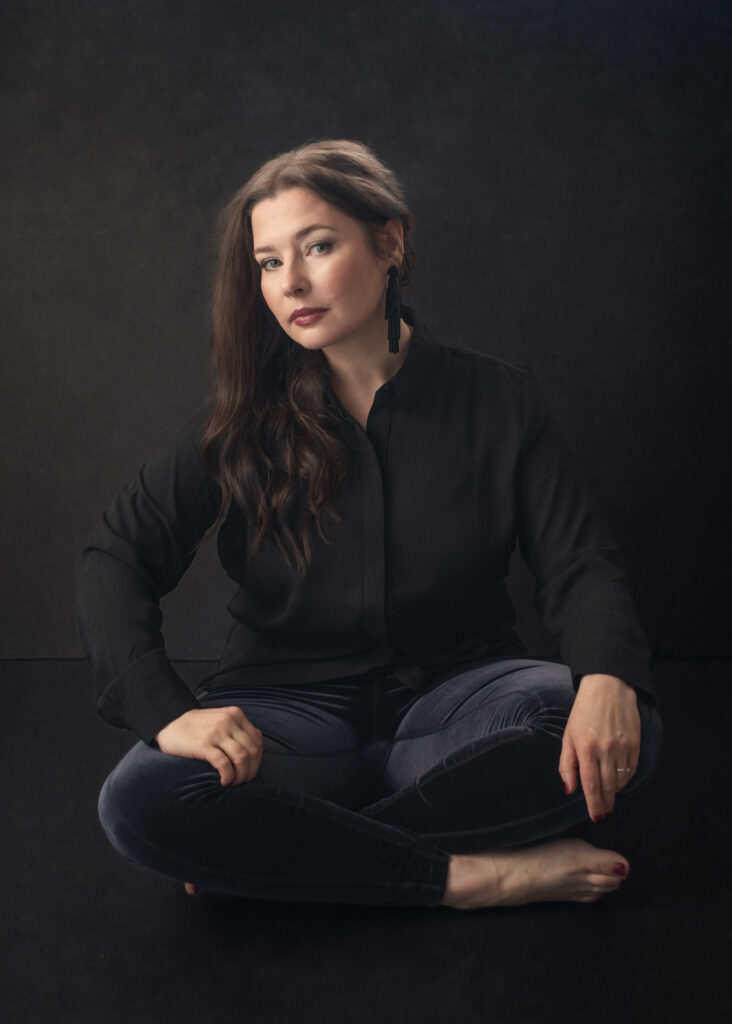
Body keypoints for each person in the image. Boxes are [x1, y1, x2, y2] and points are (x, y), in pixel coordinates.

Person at [76, 139, 662, 910]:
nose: (293, 283)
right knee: (143, 798)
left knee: (616, 725)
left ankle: (286, 860)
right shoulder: (243, 420)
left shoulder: (499, 399)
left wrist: (608, 677)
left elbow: (580, 560)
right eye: (269, 262)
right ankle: (462, 879)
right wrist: (170, 715)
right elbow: (113, 559)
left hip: (459, 712)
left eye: (318, 246)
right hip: (288, 727)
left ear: (390, 243)